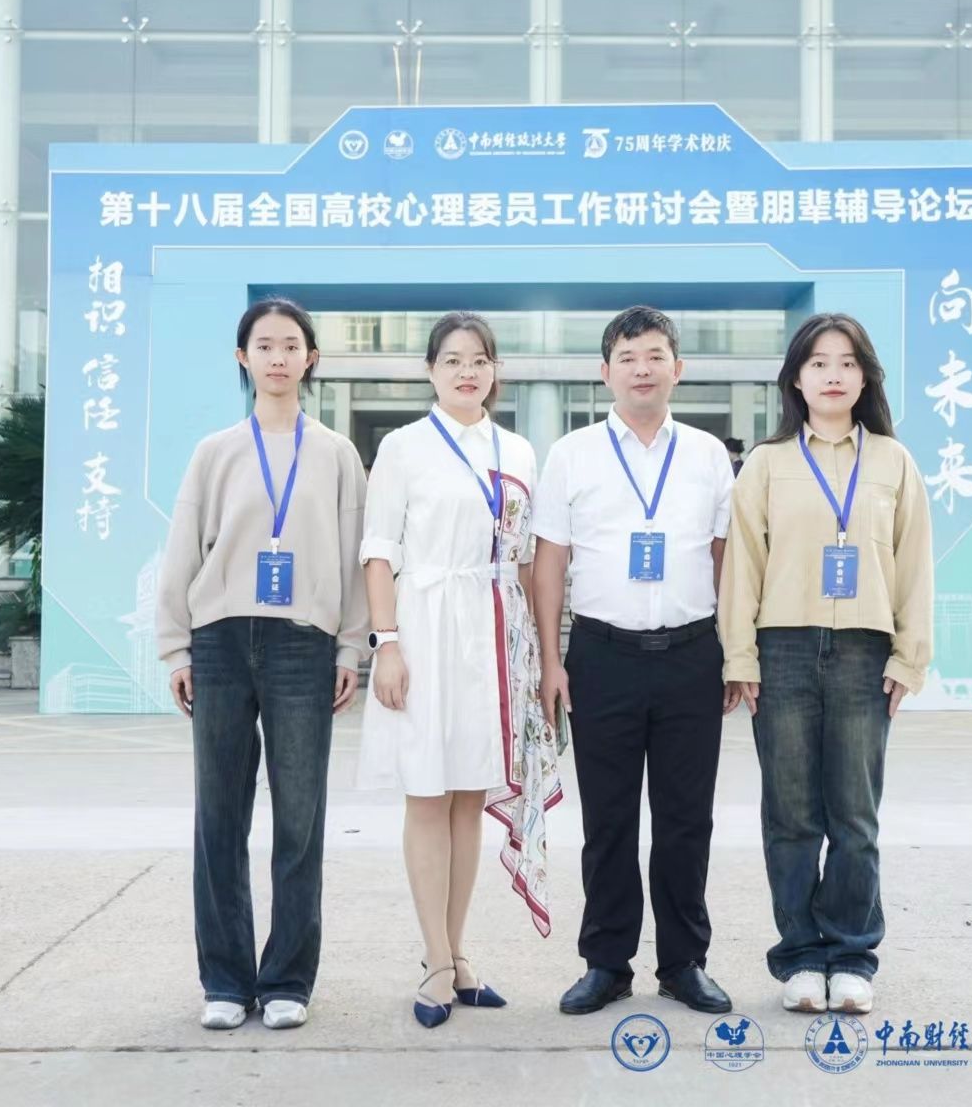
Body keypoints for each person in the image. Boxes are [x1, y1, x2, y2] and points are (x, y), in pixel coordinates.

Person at [154, 297, 370, 1033]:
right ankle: (224, 979)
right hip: (219, 639)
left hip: (302, 645)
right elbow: (183, 549)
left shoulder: (336, 454)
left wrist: (350, 646)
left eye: (291, 345)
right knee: (219, 815)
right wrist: (176, 646)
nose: (279, 357)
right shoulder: (216, 451)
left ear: (311, 359)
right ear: (242, 357)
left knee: (299, 820)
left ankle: (286, 980)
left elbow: (353, 560)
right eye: (265, 345)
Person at [718, 312, 933, 1017]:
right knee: (790, 816)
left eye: (846, 363)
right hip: (781, 648)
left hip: (864, 651)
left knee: (855, 817)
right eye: (818, 363)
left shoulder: (893, 462)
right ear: (796, 379)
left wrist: (909, 656)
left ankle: (852, 956)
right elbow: (744, 566)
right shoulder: (768, 462)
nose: (833, 375)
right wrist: (739, 655)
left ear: (865, 377)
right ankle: (801, 958)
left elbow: (914, 565)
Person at [357, 311, 562, 1029]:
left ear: (495, 370)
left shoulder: (519, 450)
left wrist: (535, 656)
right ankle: (436, 961)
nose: (467, 371)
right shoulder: (403, 447)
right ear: (431, 371)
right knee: (427, 792)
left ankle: (458, 953)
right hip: (425, 627)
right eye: (452, 359)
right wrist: (387, 642)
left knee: (470, 794)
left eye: (479, 359)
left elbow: (527, 558)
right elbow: (378, 550)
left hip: (494, 633)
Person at [532, 306, 738, 1017]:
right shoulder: (572, 454)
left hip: (691, 655)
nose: (642, 369)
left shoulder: (708, 455)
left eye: (654, 356)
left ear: (678, 368)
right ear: (605, 372)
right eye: (627, 357)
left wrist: (733, 653)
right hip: (602, 656)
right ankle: (606, 963)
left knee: (686, 820)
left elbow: (724, 559)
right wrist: (552, 659)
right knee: (609, 821)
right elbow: (550, 562)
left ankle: (684, 962)